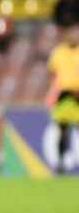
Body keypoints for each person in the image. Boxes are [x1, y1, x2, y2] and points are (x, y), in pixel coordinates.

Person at [47, 20, 79, 174]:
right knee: (63, 130)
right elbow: (52, 73)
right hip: (65, 95)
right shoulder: (58, 52)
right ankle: (60, 162)